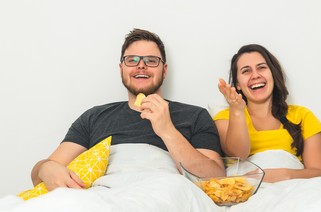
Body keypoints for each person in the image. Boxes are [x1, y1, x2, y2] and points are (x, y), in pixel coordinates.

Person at [31, 28, 223, 191]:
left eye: (151, 60)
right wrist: (45, 169)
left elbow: (216, 177)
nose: (141, 65)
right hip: (103, 199)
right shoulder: (94, 118)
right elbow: (40, 174)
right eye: (132, 60)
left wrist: (167, 131)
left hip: (165, 194)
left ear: (164, 70)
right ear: (121, 68)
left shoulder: (195, 116)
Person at [214, 44, 321, 183]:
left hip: (295, 189)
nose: (255, 75)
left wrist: (285, 175)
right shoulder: (225, 117)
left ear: (273, 74)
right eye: (246, 71)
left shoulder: (302, 115)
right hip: (251, 194)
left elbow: (319, 172)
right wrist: (237, 110)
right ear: (237, 84)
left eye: (261, 67)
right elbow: (239, 154)